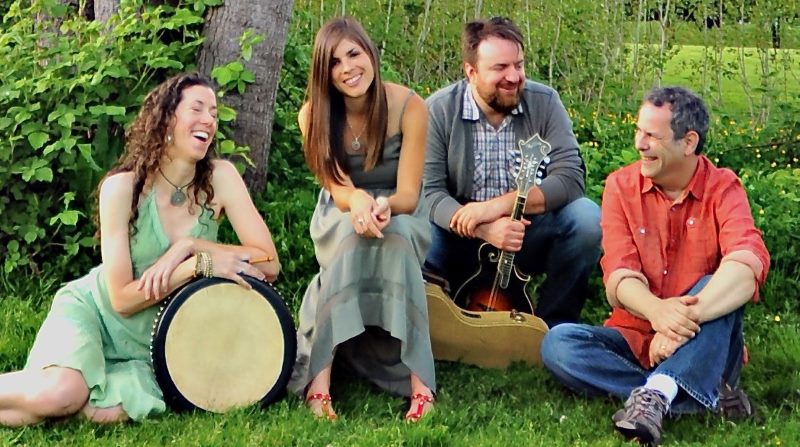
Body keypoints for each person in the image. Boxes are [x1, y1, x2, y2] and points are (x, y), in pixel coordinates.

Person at [0, 72, 281, 426]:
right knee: (60, 395)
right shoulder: (122, 188)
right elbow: (123, 299)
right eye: (197, 108)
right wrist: (196, 266)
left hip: (159, 343)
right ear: (166, 119)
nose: (209, 120)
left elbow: (269, 264)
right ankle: (55, 392)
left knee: (105, 411)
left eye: (213, 111)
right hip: (98, 314)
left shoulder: (220, 178)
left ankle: (62, 402)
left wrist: (190, 246)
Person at [540, 87, 770, 445]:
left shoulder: (723, 188)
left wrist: (677, 326)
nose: (639, 144)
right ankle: (699, 395)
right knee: (557, 343)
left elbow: (747, 266)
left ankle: (658, 394)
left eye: (652, 136)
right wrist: (658, 312)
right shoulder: (621, 186)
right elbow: (619, 275)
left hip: (703, 339)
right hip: (635, 338)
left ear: (688, 142)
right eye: (639, 131)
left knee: (717, 283)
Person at [287, 17, 435, 422]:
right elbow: (337, 188)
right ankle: (320, 385)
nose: (348, 68)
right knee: (351, 241)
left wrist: (382, 206)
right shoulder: (312, 114)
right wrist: (359, 204)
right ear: (324, 72)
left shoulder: (409, 105)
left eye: (354, 54)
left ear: (370, 53)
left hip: (400, 210)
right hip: (340, 209)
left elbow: (408, 193)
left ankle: (422, 386)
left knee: (398, 239)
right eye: (335, 62)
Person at [423, 17, 601, 327]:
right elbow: (429, 193)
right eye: (500, 68)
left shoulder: (544, 103)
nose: (514, 77)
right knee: (413, 226)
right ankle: (431, 317)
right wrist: (481, 226)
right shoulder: (438, 110)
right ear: (471, 72)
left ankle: (553, 327)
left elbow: (571, 177)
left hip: (525, 232)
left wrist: (496, 207)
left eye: (518, 65)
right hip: (459, 234)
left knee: (586, 218)